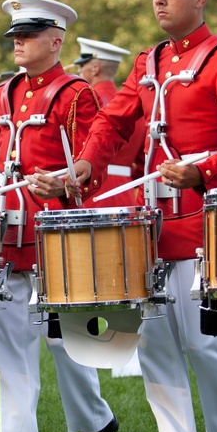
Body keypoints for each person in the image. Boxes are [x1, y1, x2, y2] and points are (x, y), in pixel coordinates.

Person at [66, 0, 217, 432]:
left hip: (203, 220)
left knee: (205, 344)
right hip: (150, 223)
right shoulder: (147, 62)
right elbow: (112, 119)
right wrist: (88, 158)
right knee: (154, 344)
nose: (159, 0)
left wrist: (205, 172)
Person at [0, 0, 119, 432]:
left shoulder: (76, 93)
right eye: (15, 35)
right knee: (10, 340)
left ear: (56, 40)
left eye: (29, 35)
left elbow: (91, 160)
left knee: (65, 337)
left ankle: (96, 419)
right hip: (10, 234)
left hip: (56, 232)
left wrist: (63, 182)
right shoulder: (7, 92)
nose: (17, 42)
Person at [73, 36, 143, 379]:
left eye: (82, 66)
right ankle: (129, 353)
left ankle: (104, 348)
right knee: (125, 273)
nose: (81, 72)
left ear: (94, 67)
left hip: (98, 188)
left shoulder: (93, 100)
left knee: (94, 275)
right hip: (127, 191)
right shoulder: (130, 100)